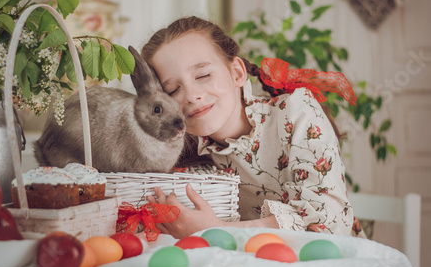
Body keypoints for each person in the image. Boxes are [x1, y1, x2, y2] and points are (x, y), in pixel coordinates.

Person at [143, 16, 362, 239]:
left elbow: (329, 222)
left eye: (203, 75)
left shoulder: (295, 111)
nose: (191, 96)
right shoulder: (180, 155)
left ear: (237, 73)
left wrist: (213, 229)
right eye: (172, 90)